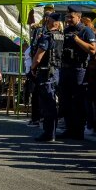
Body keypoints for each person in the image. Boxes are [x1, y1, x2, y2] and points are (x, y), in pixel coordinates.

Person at [58, 6, 96, 140]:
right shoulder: (66, 30)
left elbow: (92, 50)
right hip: (66, 69)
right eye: (67, 17)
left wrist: (77, 40)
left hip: (79, 70)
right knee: (66, 100)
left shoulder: (85, 31)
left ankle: (79, 131)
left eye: (71, 17)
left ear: (79, 17)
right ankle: (69, 129)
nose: (68, 19)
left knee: (78, 102)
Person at [30, 12, 65, 142]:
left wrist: (32, 68)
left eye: (48, 19)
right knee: (52, 102)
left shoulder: (47, 36)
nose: (46, 21)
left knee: (47, 104)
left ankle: (49, 133)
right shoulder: (62, 36)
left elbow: (39, 57)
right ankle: (51, 132)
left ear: (52, 22)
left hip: (46, 72)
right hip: (57, 71)